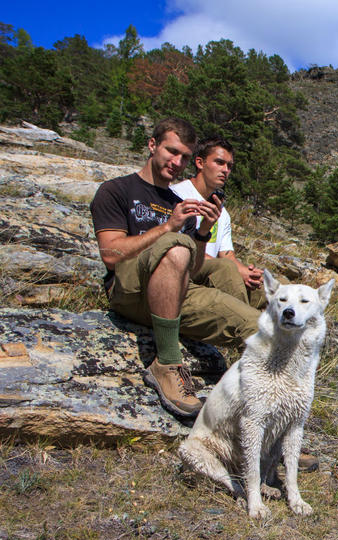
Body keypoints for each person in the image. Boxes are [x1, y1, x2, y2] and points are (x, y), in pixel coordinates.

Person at [90, 117, 260, 418]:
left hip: (178, 291)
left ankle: (258, 417)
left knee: (261, 328)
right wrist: (168, 227)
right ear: (152, 145)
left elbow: (192, 269)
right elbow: (111, 254)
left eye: (183, 157)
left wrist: (205, 229)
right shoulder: (117, 190)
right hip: (129, 290)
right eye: (171, 151)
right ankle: (167, 364)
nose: (177, 161)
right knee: (176, 245)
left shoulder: (179, 202)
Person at [170, 138, 266, 309]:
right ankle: (246, 326)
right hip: (186, 270)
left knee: (272, 284)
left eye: (229, 166)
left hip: (217, 270)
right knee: (227, 270)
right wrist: (236, 270)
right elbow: (179, 247)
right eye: (219, 163)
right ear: (200, 162)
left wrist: (247, 272)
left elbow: (227, 254)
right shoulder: (177, 197)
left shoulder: (222, 213)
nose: (225, 170)